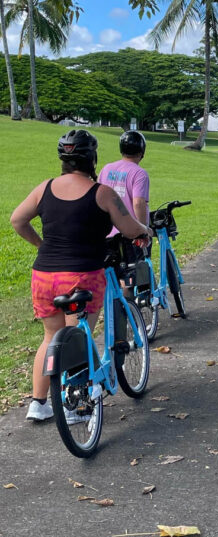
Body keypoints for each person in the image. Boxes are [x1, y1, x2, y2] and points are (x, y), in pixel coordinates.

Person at [10, 129, 151, 423]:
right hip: (82, 275)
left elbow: (17, 220)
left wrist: (41, 244)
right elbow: (129, 227)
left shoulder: (44, 188)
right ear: (92, 157)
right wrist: (145, 232)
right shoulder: (101, 192)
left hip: (44, 276)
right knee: (78, 337)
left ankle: (38, 404)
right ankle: (75, 407)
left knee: (51, 336)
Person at [98, 130, 150, 233]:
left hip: (106, 232)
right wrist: (143, 230)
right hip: (129, 234)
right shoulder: (139, 173)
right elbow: (138, 203)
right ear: (142, 152)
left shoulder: (107, 168)